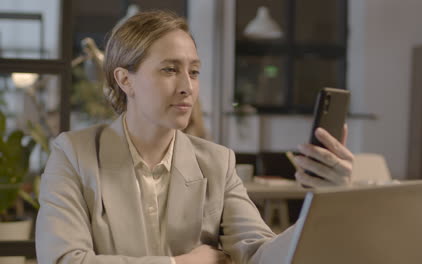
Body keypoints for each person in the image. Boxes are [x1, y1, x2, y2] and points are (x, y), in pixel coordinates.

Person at [35, 10, 354, 264]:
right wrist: (179, 263)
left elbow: (260, 255)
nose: (187, 86)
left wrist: (325, 203)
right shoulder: (73, 155)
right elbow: (64, 260)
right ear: (125, 80)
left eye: (194, 71)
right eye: (170, 69)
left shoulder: (217, 162)